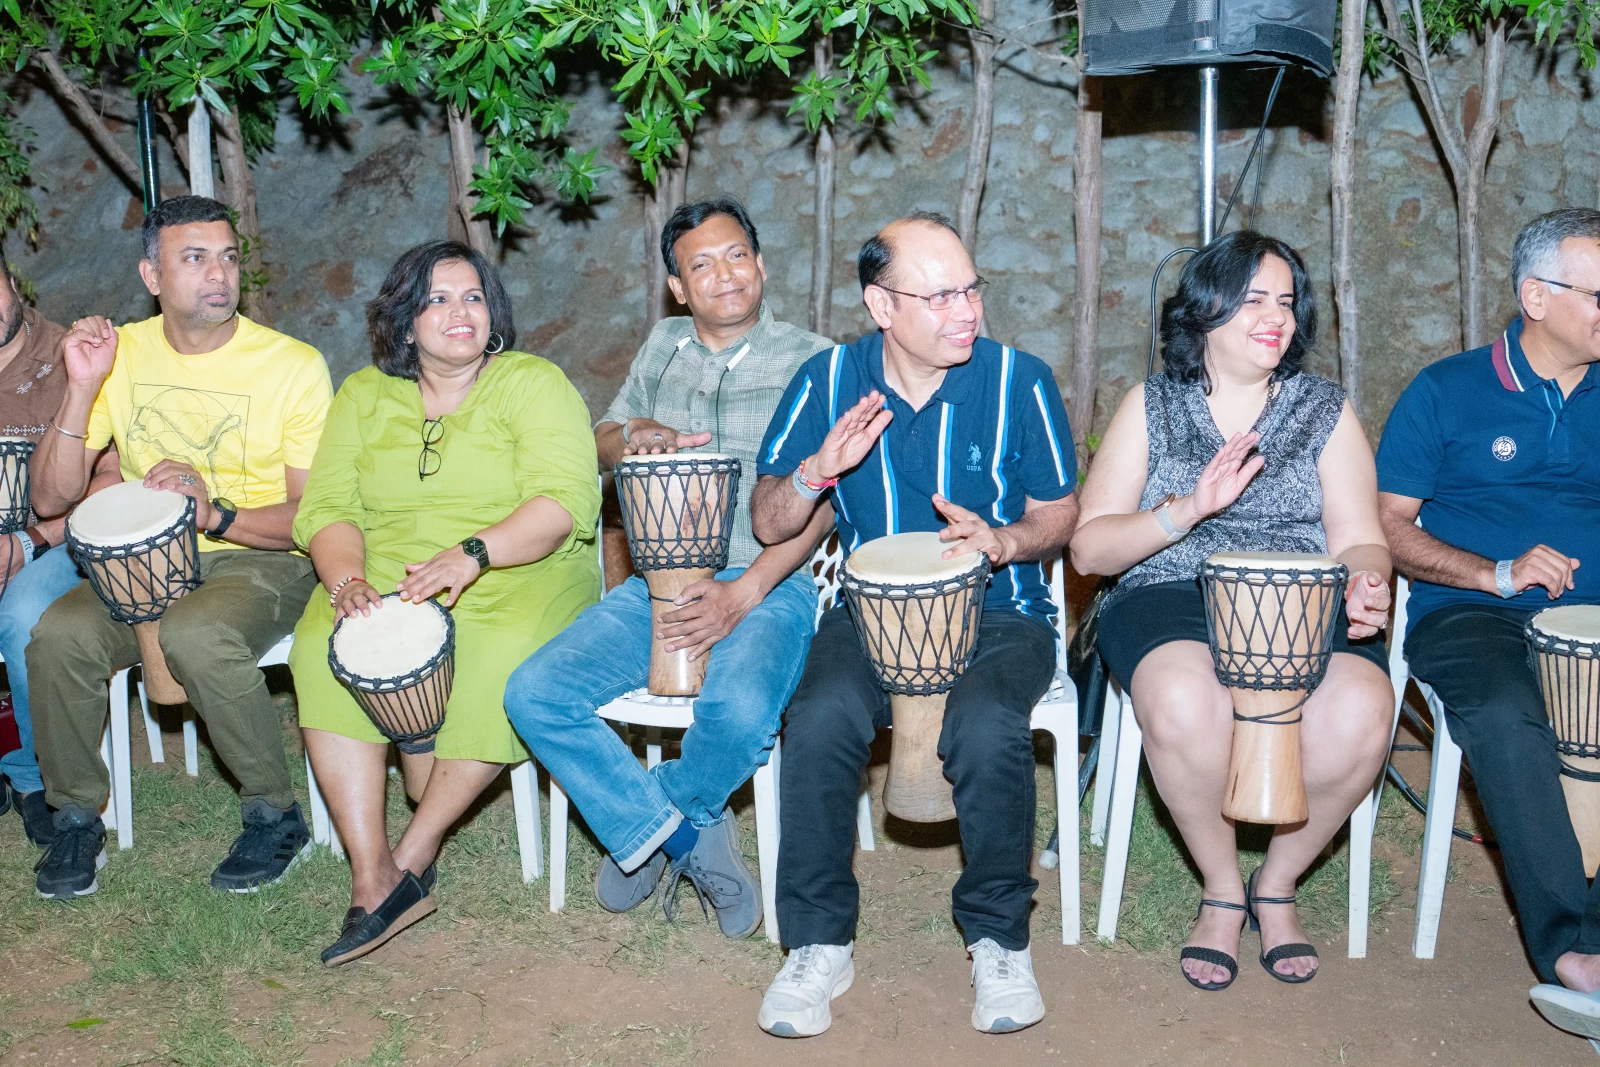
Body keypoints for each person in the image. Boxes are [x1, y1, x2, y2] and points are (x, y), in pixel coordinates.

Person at [749, 212, 1079, 1037]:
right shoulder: (828, 380)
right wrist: (817, 468)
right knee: (818, 718)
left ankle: (999, 937)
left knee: (987, 723)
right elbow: (768, 520)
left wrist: (1004, 540)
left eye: (971, 288)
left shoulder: (1019, 379)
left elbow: (1060, 514)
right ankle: (818, 942)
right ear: (880, 305)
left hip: (1004, 608)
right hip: (867, 609)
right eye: (939, 295)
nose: (965, 309)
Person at [1071, 230, 1393, 992]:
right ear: (1205, 312)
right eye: (1253, 299)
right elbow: (1089, 550)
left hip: (1298, 598)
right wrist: (1187, 510)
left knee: (1362, 708)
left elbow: (1360, 538)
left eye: (1285, 301)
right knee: (1184, 697)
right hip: (1169, 587)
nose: (1274, 316)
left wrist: (1367, 580)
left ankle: (1275, 883)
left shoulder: (1323, 409)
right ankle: (1221, 886)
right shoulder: (1151, 405)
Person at [504, 198, 833, 940]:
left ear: (762, 263)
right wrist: (628, 436)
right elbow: (599, 438)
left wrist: (744, 593)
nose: (725, 275)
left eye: (737, 256)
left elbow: (828, 505)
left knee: (741, 712)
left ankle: (661, 811)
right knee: (535, 693)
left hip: (768, 583)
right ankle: (683, 836)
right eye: (702, 264)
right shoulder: (663, 346)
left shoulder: (815, 360)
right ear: (678, 287)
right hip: (655, 586)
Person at [290, 240, 601, 965]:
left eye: (472, 296)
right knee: (321, 645)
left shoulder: (533, 382)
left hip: (522, 566)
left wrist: (474, 553)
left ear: (492, 313)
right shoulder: (364, 395)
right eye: (436, 298)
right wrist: (345, 582)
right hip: (390, 568)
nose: (459, 311)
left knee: (497, 653)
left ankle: (414, 849)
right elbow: (328, 505)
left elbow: (566, 500)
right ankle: (372, 872)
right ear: (403, 322)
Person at [27, 195, 331, 899]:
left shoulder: (292, 366)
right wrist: (80, 387)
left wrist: (216, 511)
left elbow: (314, 518)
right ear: (151, 275)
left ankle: (275, 812)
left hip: (263, 557)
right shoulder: (120, 354)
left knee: (197, 633)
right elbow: (49, 499)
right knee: (58, 635)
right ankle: (75, 816)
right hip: (142, 563)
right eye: (193, 258)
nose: (217, 274)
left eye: (227, 256)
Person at [1373, 209, 1600, 1040]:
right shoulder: (1447, 390)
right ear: (1536, 296)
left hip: (1594, 619)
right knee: (1506, 718)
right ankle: (1573, 949)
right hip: (1473, 612)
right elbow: (1390, 522)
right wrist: (1491, 572)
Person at [0, 247, 119, 847]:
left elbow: (116, 479)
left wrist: (29, 540)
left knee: (23, 612)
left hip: (63, 546)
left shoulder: (72, 359)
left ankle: (35, 775)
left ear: (14, 283)